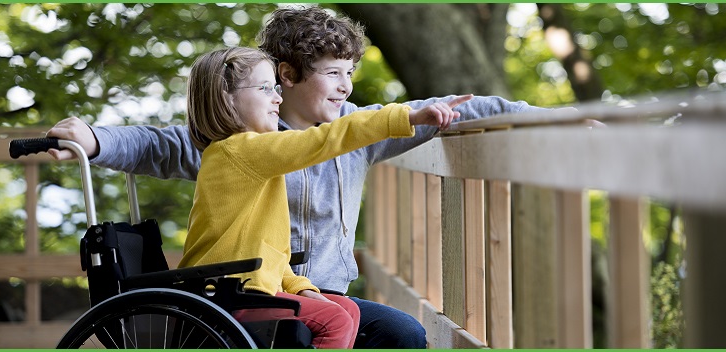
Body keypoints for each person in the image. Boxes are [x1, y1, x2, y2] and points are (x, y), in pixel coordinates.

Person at [47, 5, 574, 348]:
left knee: (405, 335)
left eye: (351, 72)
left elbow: (459, 107)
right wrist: (93, 140)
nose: (346, 88)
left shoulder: (357, 131)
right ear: (287, 76)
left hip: (312, 289)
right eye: (333, 73)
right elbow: (155, 144)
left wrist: (553, 119)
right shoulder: (236, 142)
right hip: (245, 294)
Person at [180, 46, 469, 348]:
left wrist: (301, 287)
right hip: (224, 295)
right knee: (337, 320)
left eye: (275, 88)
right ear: (226, 97)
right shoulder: (240, 150)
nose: (277, 98)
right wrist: (404, 117)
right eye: (265, 89)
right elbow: (325, 139)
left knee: (345, 309)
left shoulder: (253, 159)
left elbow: (270, 255)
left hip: (244, 287)